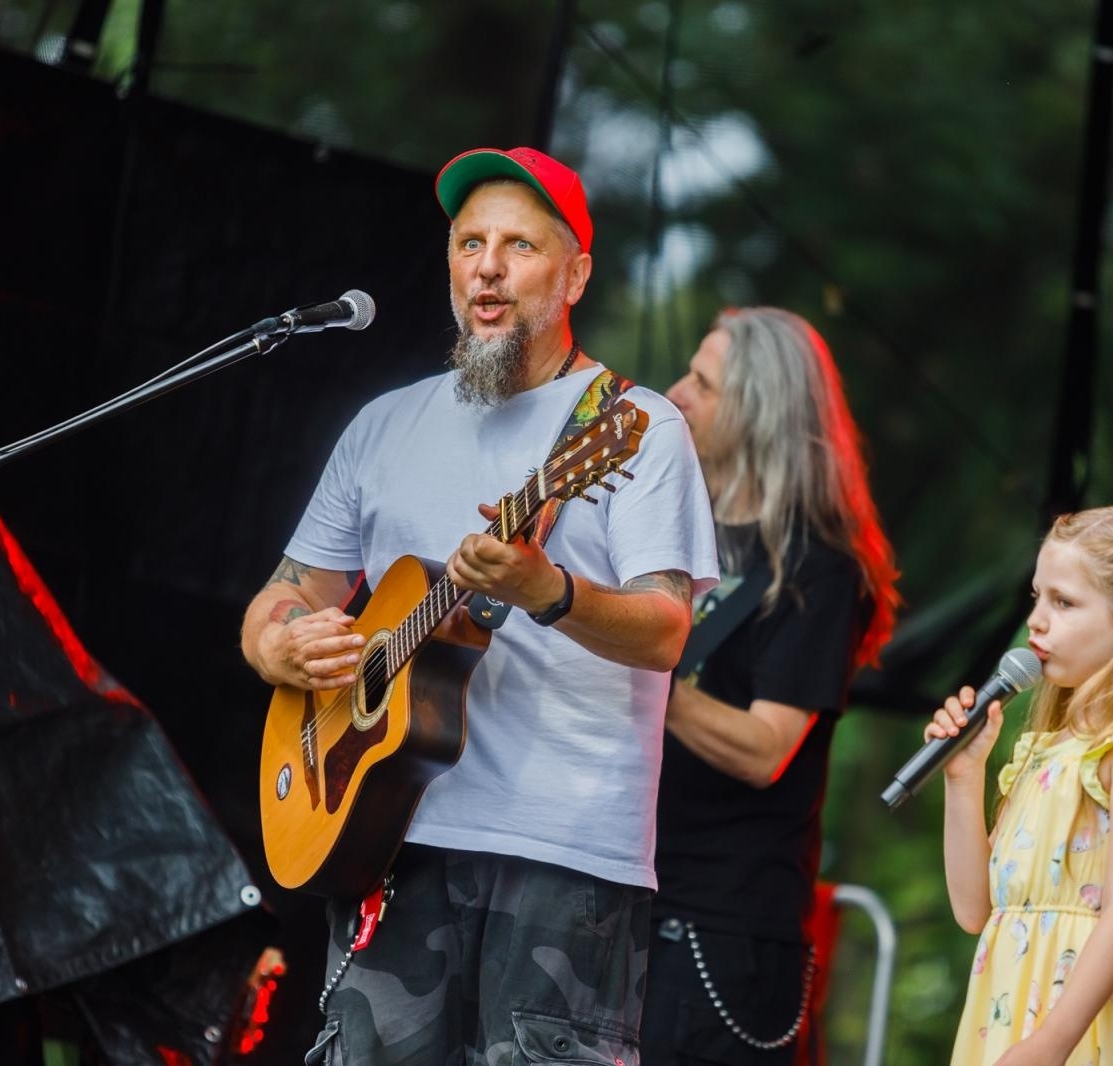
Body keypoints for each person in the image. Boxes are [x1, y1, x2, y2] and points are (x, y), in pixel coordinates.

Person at [238, 146, 719, 1065]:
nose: (488, 266)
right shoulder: (383, 425)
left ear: (575, 272)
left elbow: (666, 630)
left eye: (519, 245)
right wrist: (282, 649)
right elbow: (288, 593)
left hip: (565, 855)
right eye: (469, 243)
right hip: (386, 836)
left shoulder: (634, 428)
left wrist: (551, 591)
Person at [642, 307, 900, 1064]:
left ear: (758, 412)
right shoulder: (675, 538)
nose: (674, 391)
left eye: (703, 382)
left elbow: (765, 750)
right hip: (630, 899)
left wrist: (641, 663)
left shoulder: (818, 568)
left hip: (718, 928)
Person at [927, 505, 1113, 1064]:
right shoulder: (1046, 746)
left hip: (1078, 1032)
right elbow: (975, 911)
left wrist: (1050, 1043)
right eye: (1038, 597)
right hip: (1009, 1017)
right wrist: (964, 780)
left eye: (1063, 602)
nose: (1036, 620)